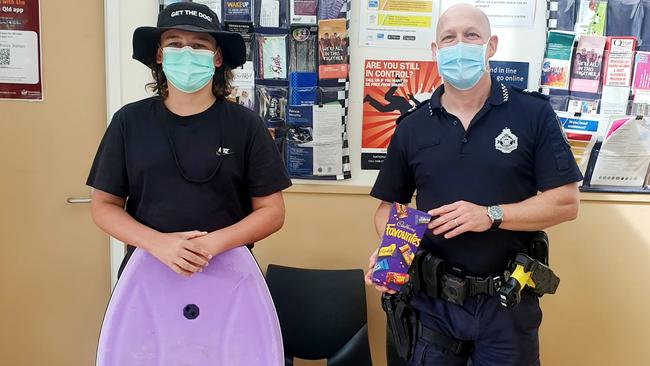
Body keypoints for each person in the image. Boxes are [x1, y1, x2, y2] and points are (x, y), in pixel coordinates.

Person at [365, 4, 582, 366]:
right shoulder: (412, 127)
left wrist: (490, 215)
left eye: (471, 35)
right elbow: (388, 207)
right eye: (449, 37)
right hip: (432, 305)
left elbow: (566, 202)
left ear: (491, 45)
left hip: (507, 307)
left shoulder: (532, 115)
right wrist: (392, 254)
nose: (459, 44)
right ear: (436, 51)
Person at [87, 2, 291, 278]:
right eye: (175, 43)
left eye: (198, 45)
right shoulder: (129, 121)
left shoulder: (246, 125)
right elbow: (103, 206)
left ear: (217, 58)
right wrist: (157, 243)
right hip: (148, 269)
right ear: (160, 55)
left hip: (226, 270)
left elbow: (272, 211)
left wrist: (208, 246)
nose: (186, 52)